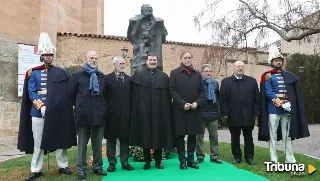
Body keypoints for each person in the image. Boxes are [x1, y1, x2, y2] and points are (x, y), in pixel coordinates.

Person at [17, 32, 77, 181]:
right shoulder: (33, 73)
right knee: (38, 142)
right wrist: (41, 106)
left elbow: (65, 92)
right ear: (42, 56)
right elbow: (31, 93)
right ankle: (36, 169)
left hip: (57, 113)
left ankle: (63, 165)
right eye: (46, 55)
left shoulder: (61, 72)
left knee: (60, 139)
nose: (49, 57)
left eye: (51, 55)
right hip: (38, 113)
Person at [258, 45, 310, 163]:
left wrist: (290, 104)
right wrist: (281, 103)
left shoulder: (289, 75)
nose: (278, 62)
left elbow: (293, 93)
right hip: (273, 109)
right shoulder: (268, 75)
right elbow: (269, 92)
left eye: (280, 61)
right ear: (272, 62)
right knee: (273, 136)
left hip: (287, 110)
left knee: (288, 135)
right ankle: (274, 158)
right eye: (276, 61)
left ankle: (289, 158)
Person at [129, 52, 174, 170]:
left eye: (155, 60)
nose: (153, 62)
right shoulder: (139, 75)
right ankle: (147, 162)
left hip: (159, 114)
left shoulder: (163, 76)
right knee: (145, 137)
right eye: (151, 60)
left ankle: (158, 162)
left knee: (158, 137)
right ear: (146, 61)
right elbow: (134, 96)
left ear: (157, 61)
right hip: (144, 113)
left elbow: (168, 97)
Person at [69, 51, 107, 180]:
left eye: (96, 58)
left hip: (99, 114)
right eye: (91, 58)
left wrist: (102, 108)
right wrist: (79, 106)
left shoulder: (101, 76)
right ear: (86, 58)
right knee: (82, 144)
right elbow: (71, 95)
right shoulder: (77, 75)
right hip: (83, 115)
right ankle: (81, 169)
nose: (94, 60)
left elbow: (105, 95)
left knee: (97, 143)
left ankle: (97, 167)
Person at [169, 51, 205, 170]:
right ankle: (182, 161)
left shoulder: (198, 74)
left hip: (194, 110)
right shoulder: (174, 73)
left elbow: (202, 91)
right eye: (185, 57)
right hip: (180, 110)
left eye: (189, 57)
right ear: (181, 59)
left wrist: (197, 103)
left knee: (192, 136)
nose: (187, 59)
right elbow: (172, 91)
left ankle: (190, 160)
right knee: (180, 136)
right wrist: (183, 103)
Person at [220, 61, 260, 165]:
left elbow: (257, 98)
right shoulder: (226, 82)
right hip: (233, 115)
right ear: (233, 68)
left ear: (244, 68)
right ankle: (237, 156)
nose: (240, 68)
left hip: (248, 114)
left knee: (248, 137)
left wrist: (256, 113)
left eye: (242, 66)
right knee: (235, 137)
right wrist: (225, 113)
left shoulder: (252, 81)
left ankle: (249, 157)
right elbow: (223, 99)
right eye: (238, 66)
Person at [104, 56, 134, 172]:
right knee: (111, 139)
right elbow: (104, 96)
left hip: (126, 115)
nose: (122, 65)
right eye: (120, 63)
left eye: (124, 64)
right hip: (111, 115)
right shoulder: (107, 79)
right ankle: (112, 163)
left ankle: (125, 162)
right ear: (115, 64)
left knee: (124, 139)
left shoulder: (129, 79)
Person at [195, 64, 223, 164]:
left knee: (214, 136)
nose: (208, 73)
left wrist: (218, 112)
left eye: (210, 71)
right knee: (199, 137)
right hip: (201, 113)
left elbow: (218, 98)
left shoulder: (215, 83)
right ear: (202, 73)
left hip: (213, 114)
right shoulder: (198, 83)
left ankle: (214, 156)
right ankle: (200, 156)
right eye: (206, 71)